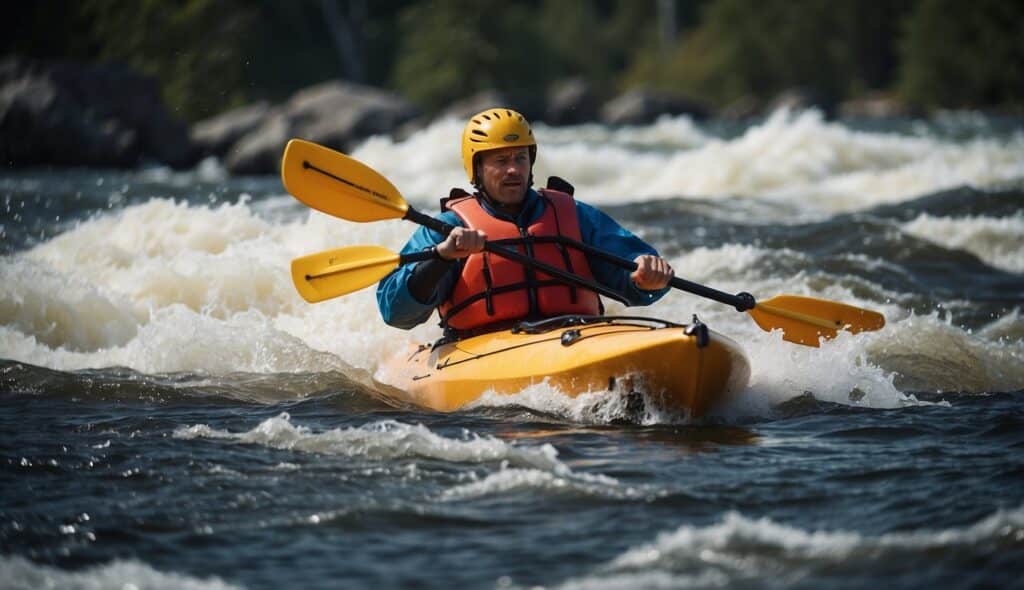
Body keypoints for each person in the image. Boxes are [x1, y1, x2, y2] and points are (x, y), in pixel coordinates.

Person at [376, 108, 674, 336]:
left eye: (520, 158)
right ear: (477, 169)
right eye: (500, 161)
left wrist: (647, 279)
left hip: (576, 336)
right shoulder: (449, 227)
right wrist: (442, 257)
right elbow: (395, 312)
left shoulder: (572, 214)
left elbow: (636, 275)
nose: (513, 170)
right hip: (482, 349)